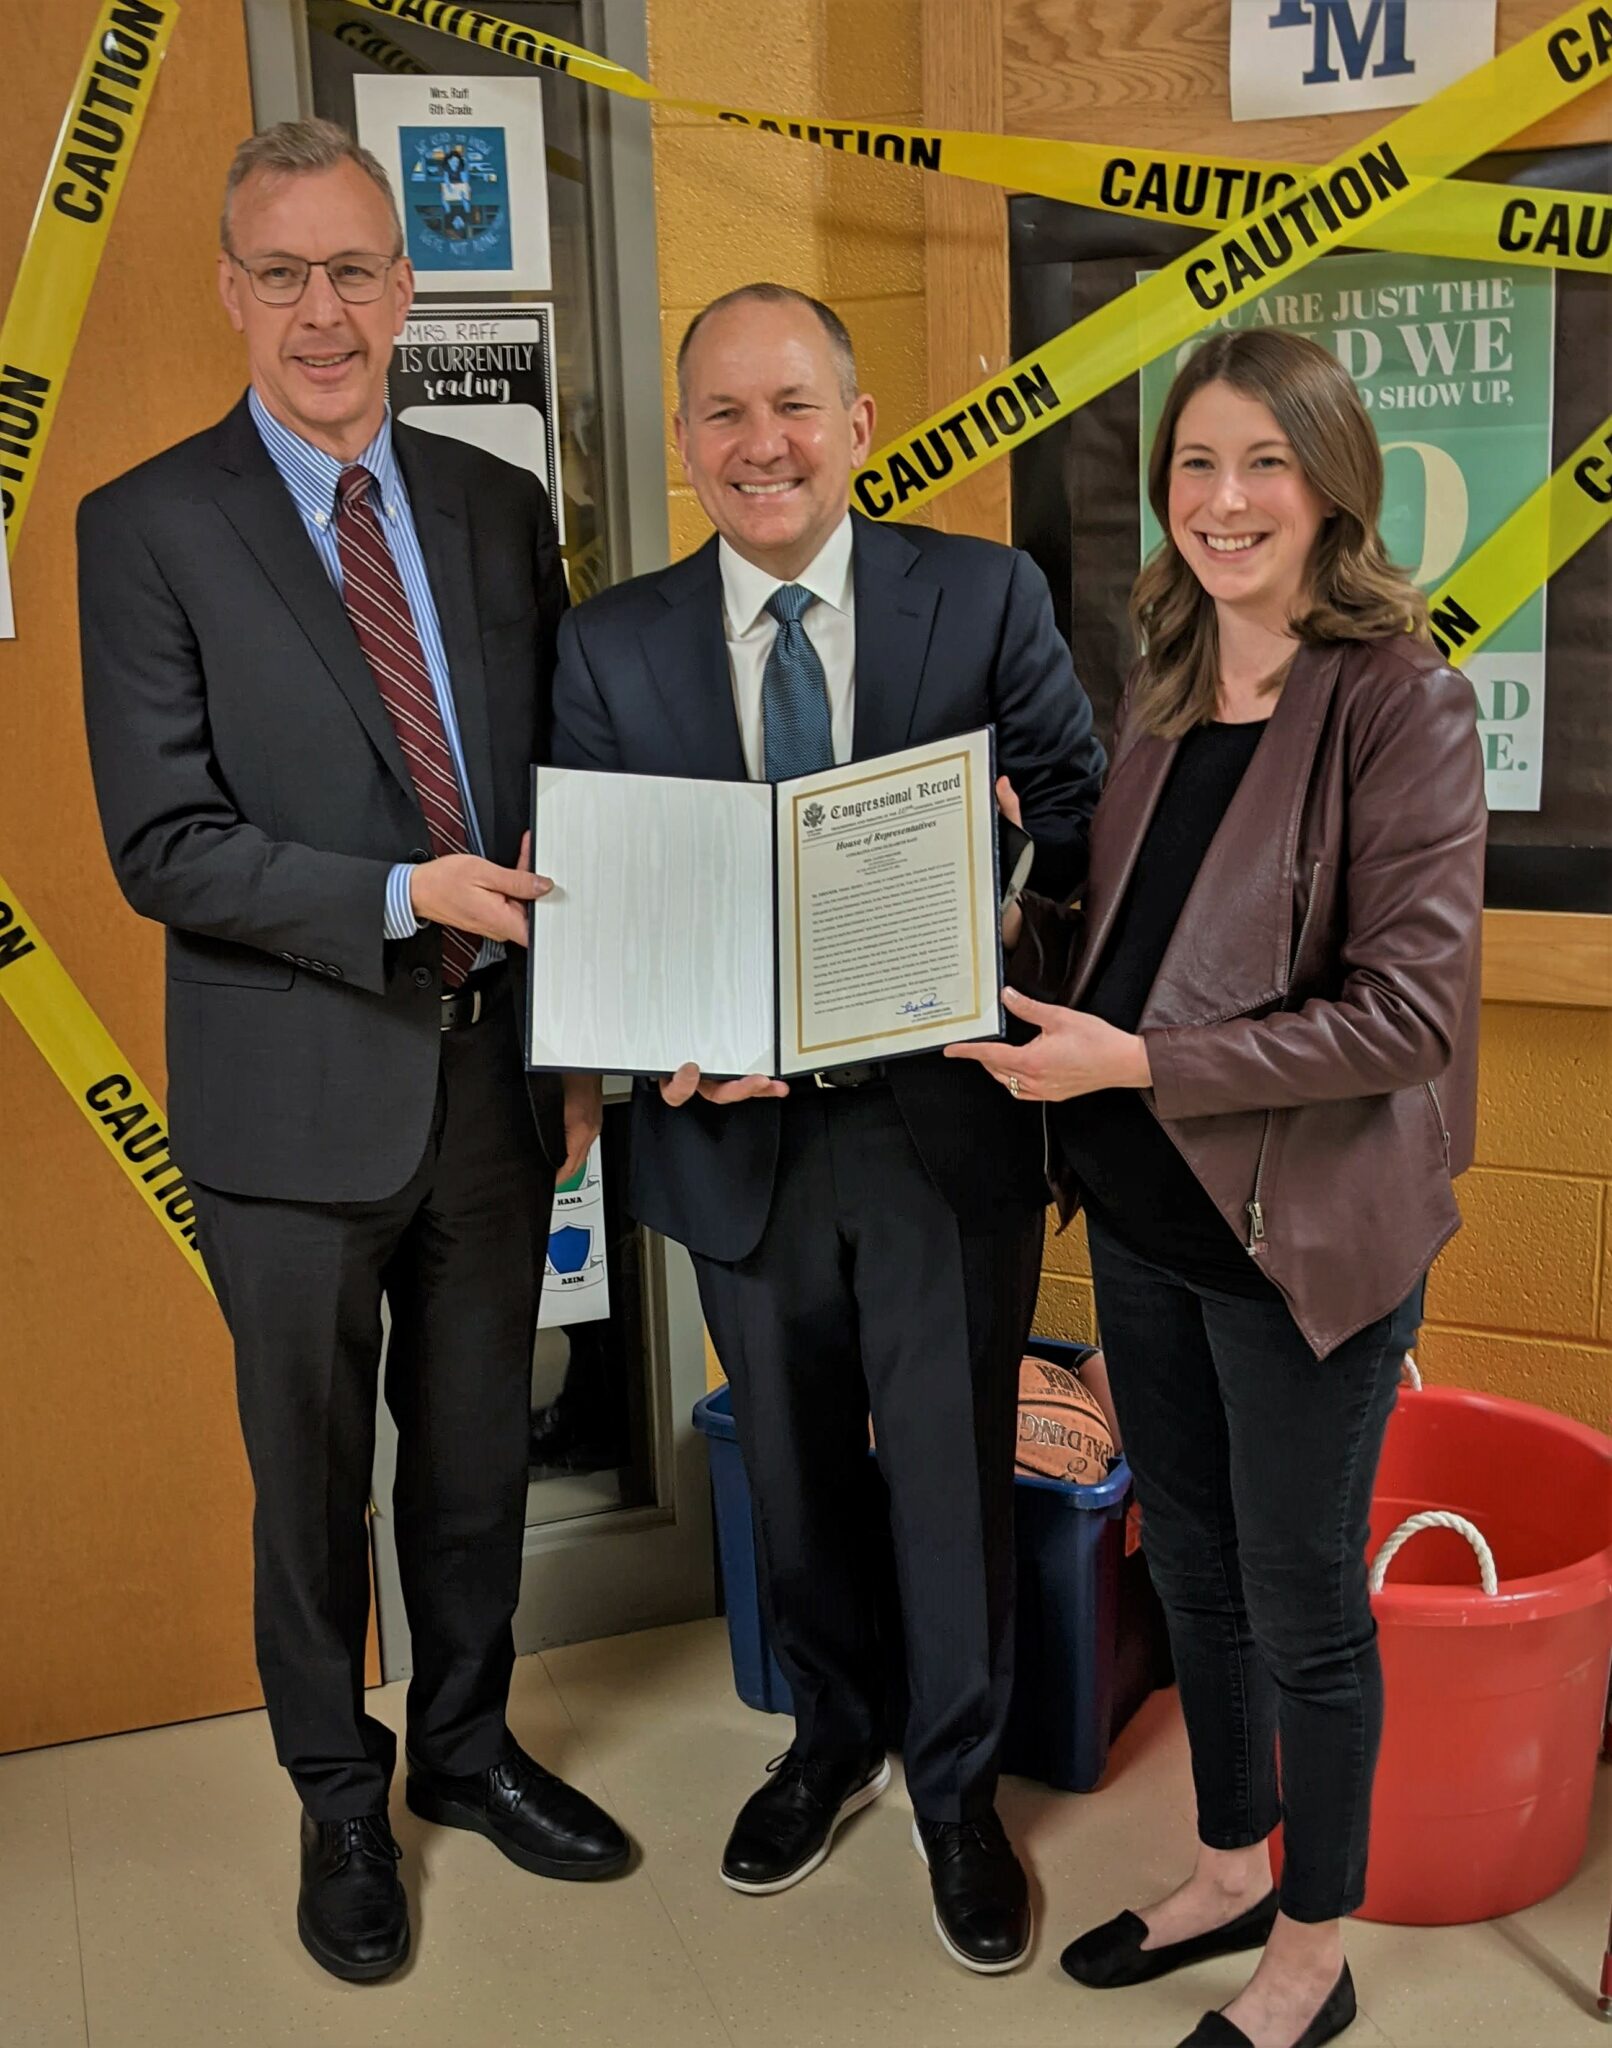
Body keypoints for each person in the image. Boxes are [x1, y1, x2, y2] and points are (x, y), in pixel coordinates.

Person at [77, 119, 628, 1985]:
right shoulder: (146, 528)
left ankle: (467, 1752)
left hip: (491, 1092)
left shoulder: (488, 507)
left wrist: (574, 1054)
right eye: (286, 274)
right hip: (288, 1106)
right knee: (310, 1482)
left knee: (475, 1461)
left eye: (358, 271)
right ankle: (340, 1792)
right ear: (232, 290)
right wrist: (407, 894)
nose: (327, 313)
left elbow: (555, 801)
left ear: (407, 286)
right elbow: (165, 842)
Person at [551, 282, 1104, 1974]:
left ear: (858, 426)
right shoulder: (610, 643)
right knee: (790, 1474)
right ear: (685, 449)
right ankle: (829, 1738)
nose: (760, 444)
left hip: (941, 1129)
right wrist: (659, 1054)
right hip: (737, 1146)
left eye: (792, 405)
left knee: (950, 1482)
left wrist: (1009, 869)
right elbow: (589, 895)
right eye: (722, 415)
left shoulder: (986, 590)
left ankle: (955, 1795)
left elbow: (1077, 813)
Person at [949, 328, 1485, 2048]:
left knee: (1307, 1611)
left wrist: (1138, 1067)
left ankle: (1312, 1957)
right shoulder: (1173, 685)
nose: (1224, 499)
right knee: (1189, 1575)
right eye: (1194, 464)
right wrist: (995, 908)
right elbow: (1139, 950)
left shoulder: (1403, 699)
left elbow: (1402, 1016)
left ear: (1333, 482)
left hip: (1301, 1246)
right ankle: (1230, 1863)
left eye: (1262, 461)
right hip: (1152, 1215)